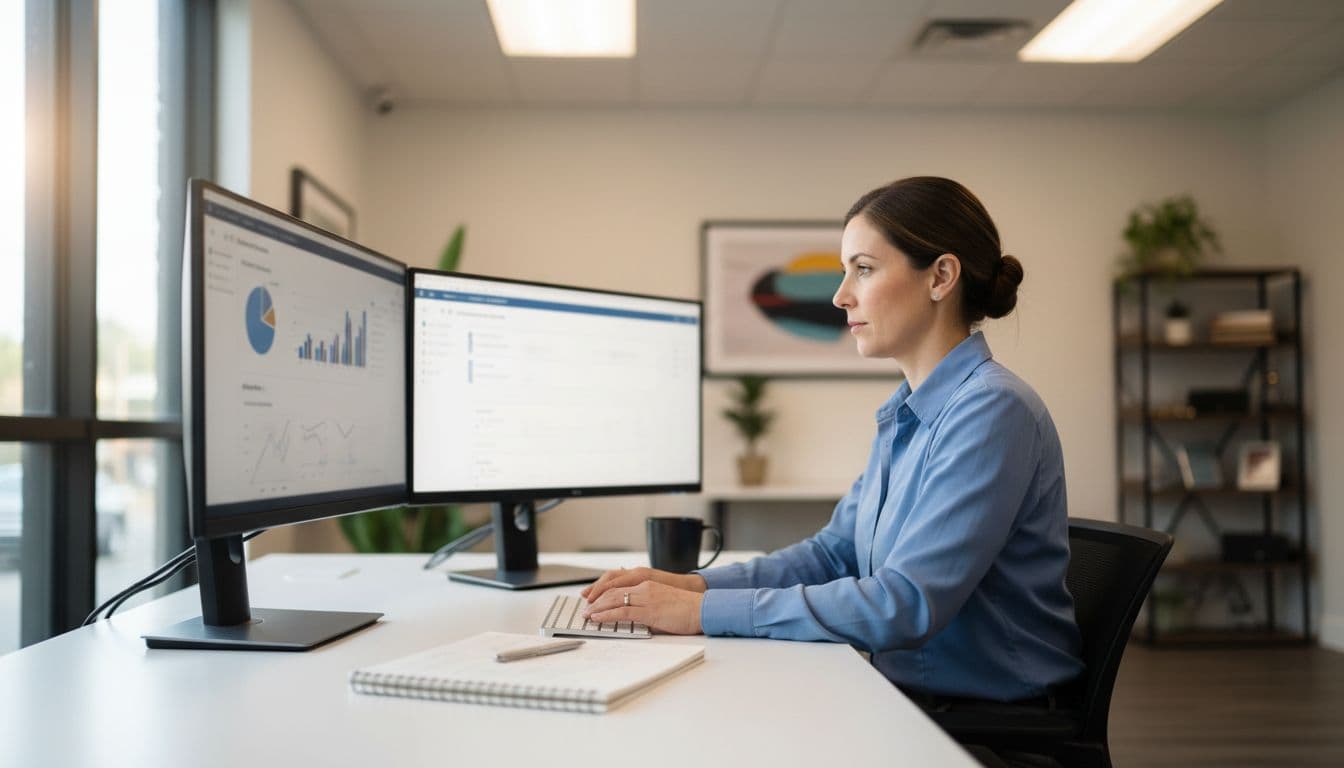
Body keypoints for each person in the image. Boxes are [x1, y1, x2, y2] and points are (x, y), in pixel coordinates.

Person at [582, 176, 1083, 703]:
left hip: (985, 716)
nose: (841, 296)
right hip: (910, 694)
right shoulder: (908, 412)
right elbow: (833, 555)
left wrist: (700, 614)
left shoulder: (992, 410)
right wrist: (695, 587)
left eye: (863, 269)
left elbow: (905, 604)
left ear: (940, 277)